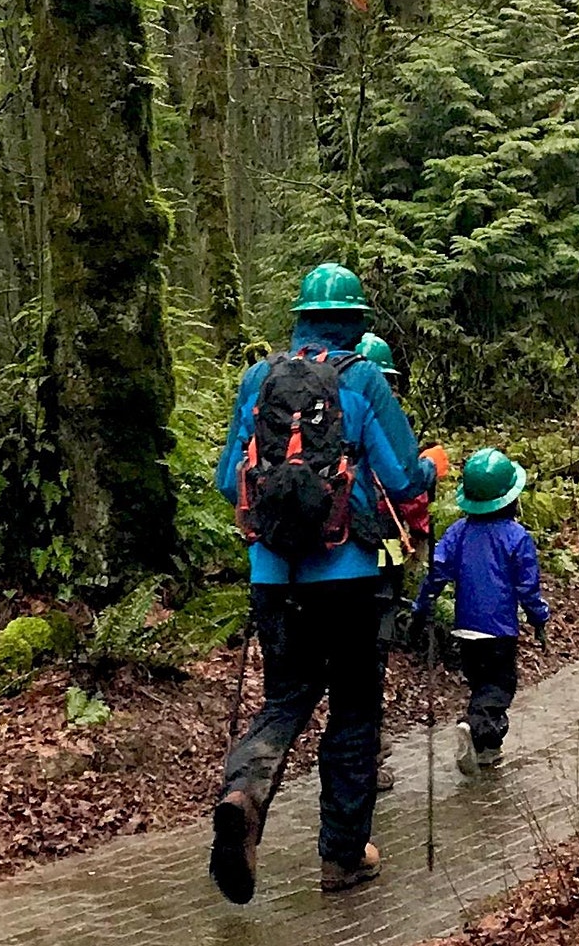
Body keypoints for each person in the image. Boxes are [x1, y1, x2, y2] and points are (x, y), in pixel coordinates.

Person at [209, 263, 436, 903]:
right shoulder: (362, 380)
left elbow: (231, 482)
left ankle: (245, 793)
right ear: (355, 323)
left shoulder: (259, 379)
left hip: (274, 576)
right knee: (355, 711)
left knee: (283, 700)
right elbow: (402, 479)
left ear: (300, 318)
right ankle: (341, 857)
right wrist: (427, 472)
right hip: (350, 579)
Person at [411, 448, 552, 776]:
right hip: (499, 630)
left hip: (466, 630)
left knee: (481, 684)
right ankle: (473, 727)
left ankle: (487, 751)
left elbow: (437, 572)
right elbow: (527, 588)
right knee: (499, 687)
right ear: (511, 499)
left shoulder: (458, 532)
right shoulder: (516, 537)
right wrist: (539, 619)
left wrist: (421, 609)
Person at [355, 332, 449, 793]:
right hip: (378, 563)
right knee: (369, 655)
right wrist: (429, 472)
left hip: (315, 563)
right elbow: (406, 489)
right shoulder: (382, 420)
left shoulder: (319, 417)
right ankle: (366, 753)